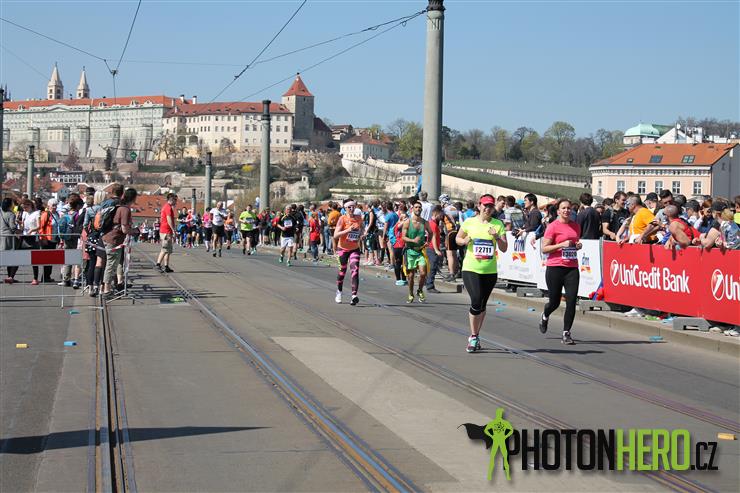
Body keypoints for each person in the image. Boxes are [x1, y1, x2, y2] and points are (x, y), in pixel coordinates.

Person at [455, 194, 507, 353]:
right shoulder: (469, 222)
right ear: (479, 206)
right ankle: (472, 336)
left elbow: (504, 248)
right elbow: (457, 238)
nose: (488, 208)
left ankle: (476, 335)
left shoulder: (498, 224)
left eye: (490, 206)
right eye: (485, 205)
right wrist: (464, 241)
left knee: (482, 305)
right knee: (476, 300)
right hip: (471, 268)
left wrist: (497, 236)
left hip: (489, 270)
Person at [538, 198, 582, 345]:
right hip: (555, 267)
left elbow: (573, 244)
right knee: (554, 302)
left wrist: (577, 246)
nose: (566, 210)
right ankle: (545, 315)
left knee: (571, 301)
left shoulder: (576, 226)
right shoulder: (553, 226)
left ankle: (566, 333)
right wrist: (561, 244)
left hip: (572, 268)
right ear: (558, 211)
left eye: (569, 208)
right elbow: (544, 249)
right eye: (563, 208)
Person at [102, 188, 136, 297]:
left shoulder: (118, 207)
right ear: (133, 198)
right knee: (111, 265)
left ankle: (109, 286)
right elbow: (125, 229)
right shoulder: (125, 210)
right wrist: (135, 231)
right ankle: (106, 290)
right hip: (114, 239)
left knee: (112, 264)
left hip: (110, 237)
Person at [401, 201, 436, 304]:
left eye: (419, 207)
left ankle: (420, 290)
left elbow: (431, 232)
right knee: (410, 276)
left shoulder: (424, 222)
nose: (418, 209)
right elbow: (403, 237)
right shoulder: (407, 222)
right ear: (412, 209)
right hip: (410, 251)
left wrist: (427, 242)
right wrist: (412, 240)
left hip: (420, 251)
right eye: (416, 207)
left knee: (423, 273)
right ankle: (410, 293)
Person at [333, 198, 364, 305]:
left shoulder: (359, 218)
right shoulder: (342, 219)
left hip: (354, 248)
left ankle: (354, 295)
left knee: (355, 271)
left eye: (353, 206)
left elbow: (362, 228)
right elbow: (335, 235)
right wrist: (348, 230)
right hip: (342, 249)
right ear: (345, 208)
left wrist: (362, 234)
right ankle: (339, 292)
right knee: (342, 272)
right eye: (349, 207)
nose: (351, 208)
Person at [423, 205, 444, 294]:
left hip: (431, 248)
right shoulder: (433, 224)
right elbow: (433, 238)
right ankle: (430, 286)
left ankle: (427, 282)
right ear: (436, 213)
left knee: (431, 267)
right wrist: (436, 250)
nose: (441, 216)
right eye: (440, 215)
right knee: (432, 267)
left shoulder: (433, 223)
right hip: (432, 248)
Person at [440, 194, 461, 281]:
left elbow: (441, 223)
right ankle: (455, 272)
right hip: (457, 232)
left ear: (443, 201)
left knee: (449, 254)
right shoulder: (454, 208)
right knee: (454, 253)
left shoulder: (445, 210)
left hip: (450, 232)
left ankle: (451, 274)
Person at [156, 193, 177, 273]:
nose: (176, 202)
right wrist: (173, 230)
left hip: (166, 230)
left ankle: (166, 266)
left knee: (168, 249)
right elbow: (169, 219)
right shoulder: (168, 208)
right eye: (175, 200)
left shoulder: (167, 207)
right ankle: (158, 264)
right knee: (164, 249)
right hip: (166, 231)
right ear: (171, 199)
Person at [1, 198, 19, 284]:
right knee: (11, 257)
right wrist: (19, 230)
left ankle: (9, 277)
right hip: (8, 238)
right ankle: (10, 276)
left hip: (0, 236)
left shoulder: (0, 212)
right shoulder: (11, 214)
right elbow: (12, 227)